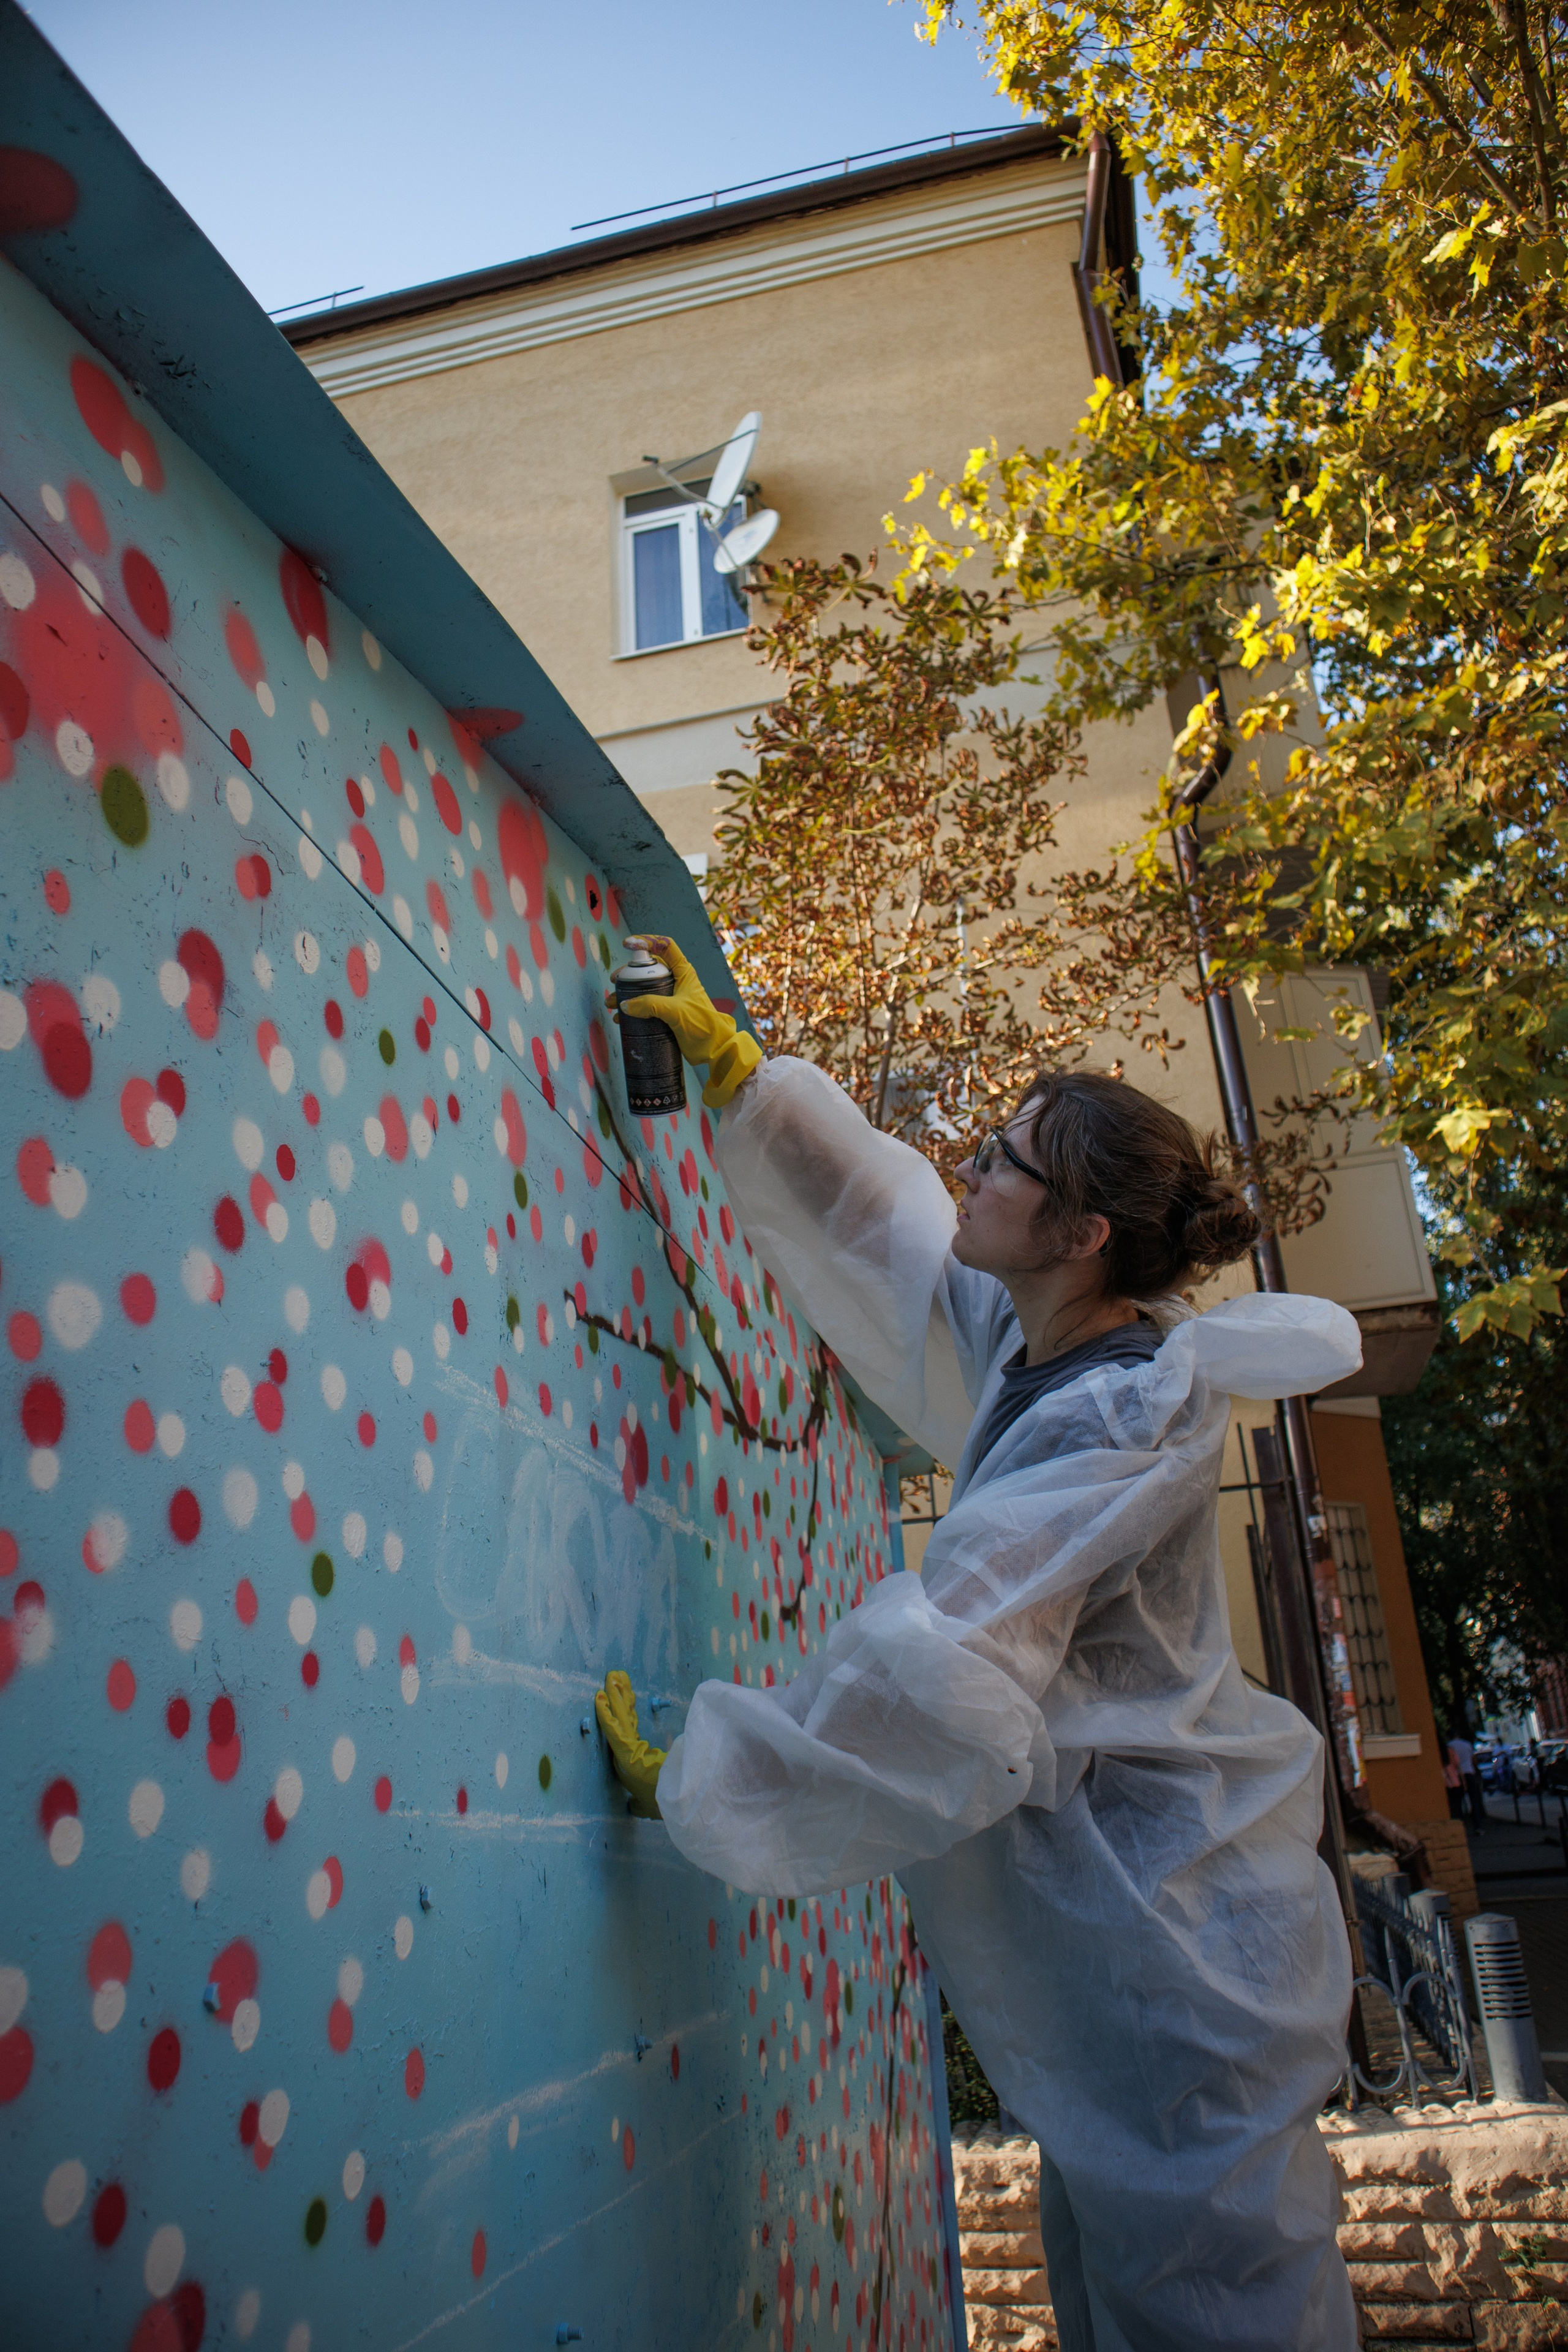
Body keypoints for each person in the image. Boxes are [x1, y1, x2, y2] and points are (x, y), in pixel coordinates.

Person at [596, 940, 1363, 2351]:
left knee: (1217, 2314)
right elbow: (887, 1242)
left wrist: (718, 1775)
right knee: (1129, 2296)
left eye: (1006, 1162)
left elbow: (946, 1669)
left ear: (1078, 1236)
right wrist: (743, 1079)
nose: (972, 1168)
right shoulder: (1043, 1349)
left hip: (1165, 1956)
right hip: (1129, 1943)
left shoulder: (1113, 1418)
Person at [1449, 1731, 1483, 1832]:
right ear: (1458, 1735)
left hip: (1457, 1775)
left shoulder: (1450, 1746)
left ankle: (1460, 1828)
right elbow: (1473, 1759)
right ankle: (1478, 1826)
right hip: (1469, 1772)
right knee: (1474, 1800)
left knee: (1458, 1802)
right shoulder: (1467, 1744)